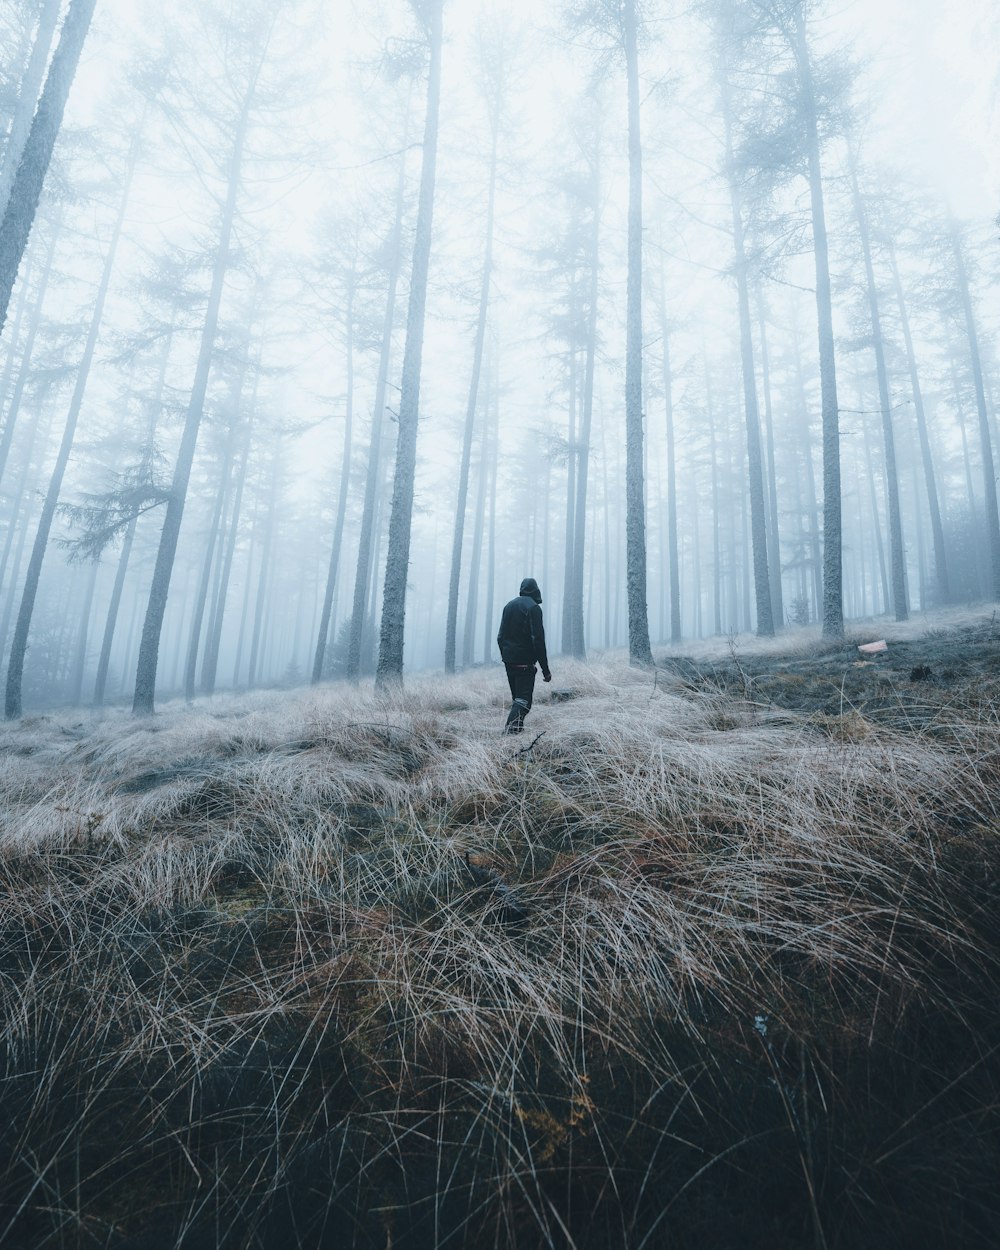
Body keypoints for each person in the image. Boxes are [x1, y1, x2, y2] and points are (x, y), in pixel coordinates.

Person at [496, 577, 551, 734]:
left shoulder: (508, 606)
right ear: (536, 590)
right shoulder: (533, 608)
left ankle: (516, 736)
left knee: (517, 701)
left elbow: (500, 637)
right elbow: (538, 640)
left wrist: (506, 657)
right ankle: (509, 735)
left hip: (509, 662)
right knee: (523, 702)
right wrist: (545, 670)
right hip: (524, 663)